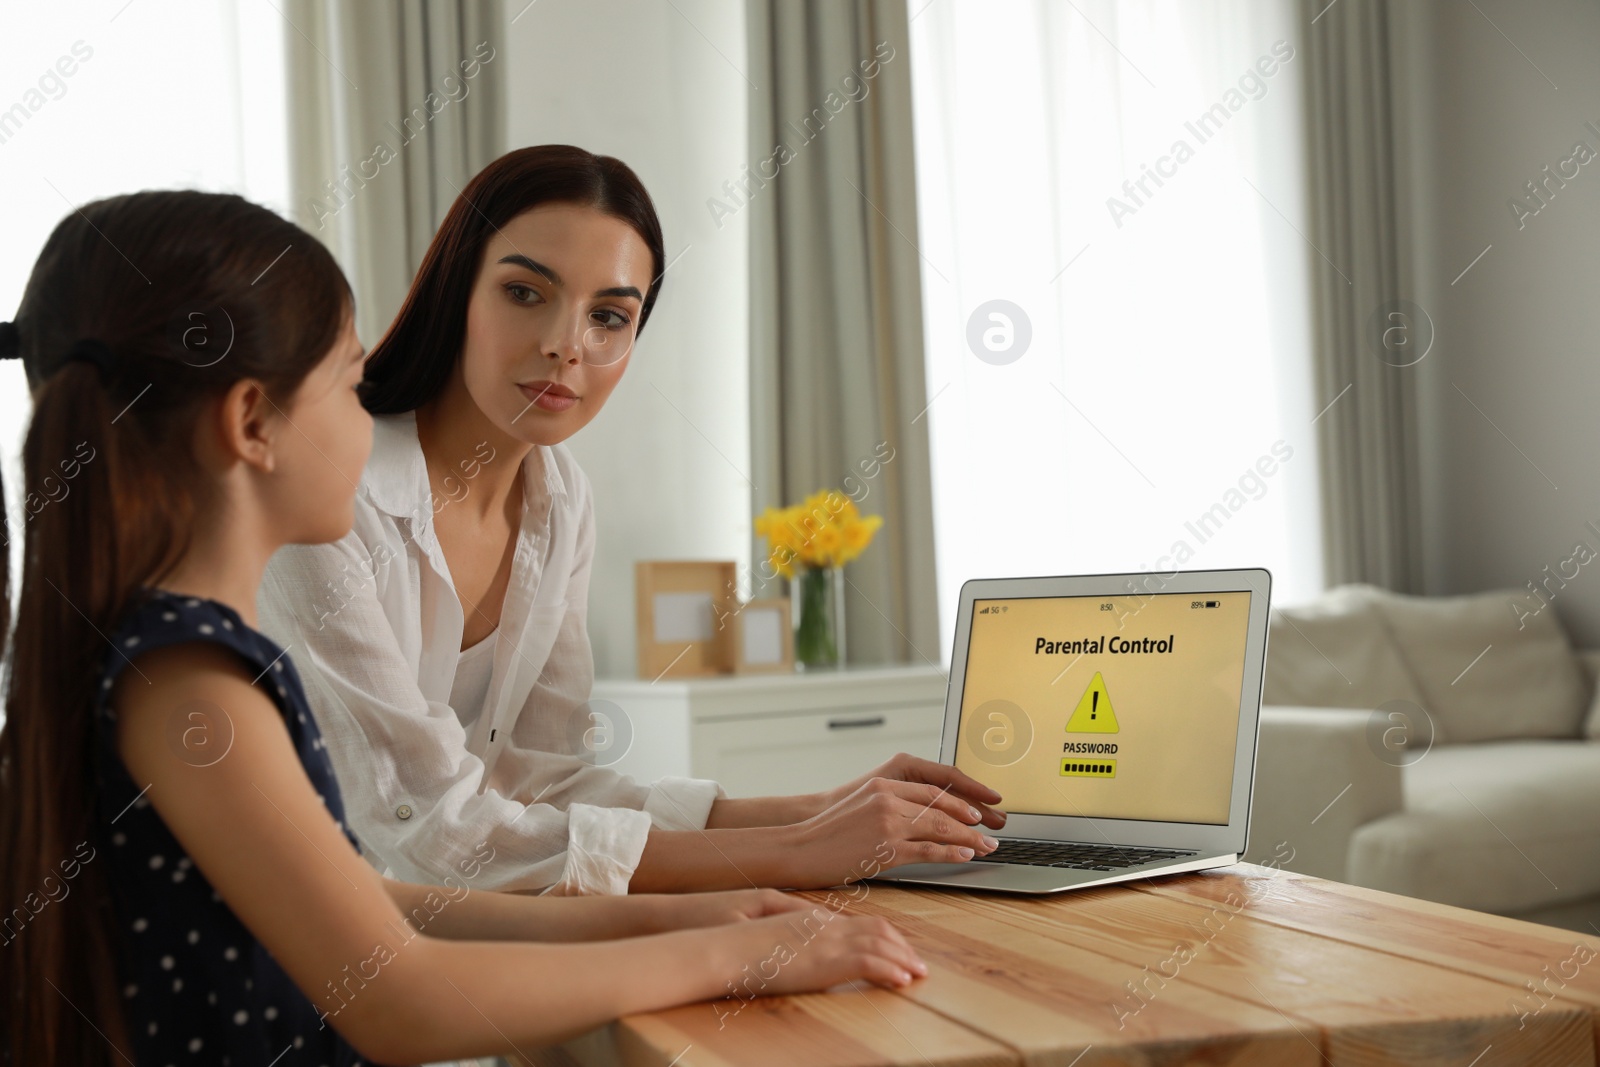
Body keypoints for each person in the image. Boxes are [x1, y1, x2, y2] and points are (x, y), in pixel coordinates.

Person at [0, 190, 926, 1066]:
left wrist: (674, 917)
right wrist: (730, 959)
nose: (369, 421)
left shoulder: (180, 660)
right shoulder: (191, 688)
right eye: (349, 381)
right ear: (252, 422)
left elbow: (378, 905)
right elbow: (396, 995)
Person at [259, 145, 1006, 897]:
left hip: (453, 929)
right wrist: (797, 847)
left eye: (609, 316)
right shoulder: (330, 497)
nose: (566, 345)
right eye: (524, 293)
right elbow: (434, 828)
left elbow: (542, 782)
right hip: (300, 942)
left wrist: (824, 807)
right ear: (457, 292)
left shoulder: (561, 500)